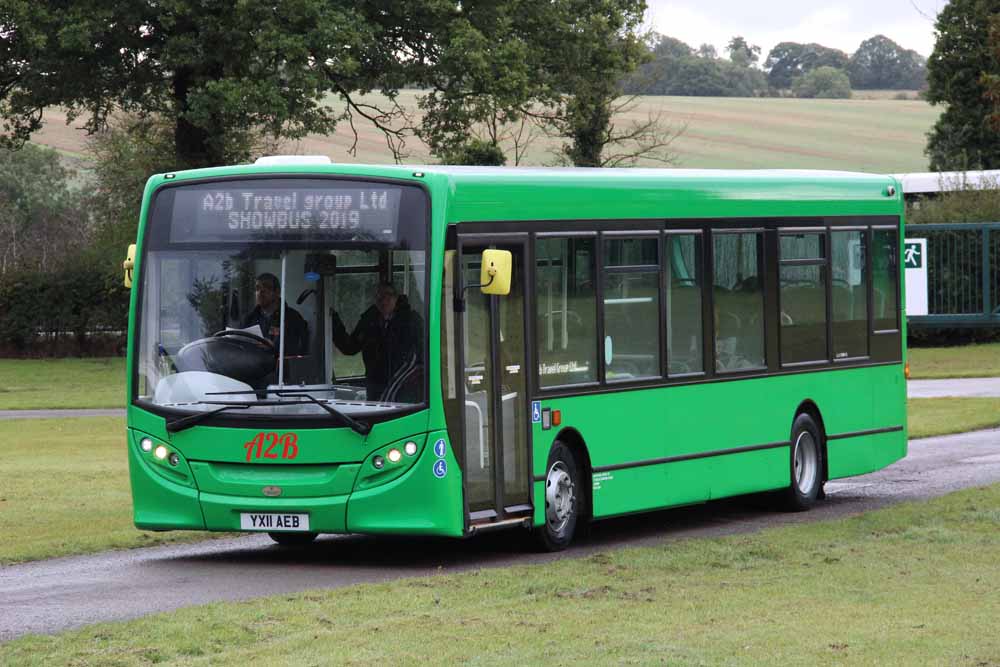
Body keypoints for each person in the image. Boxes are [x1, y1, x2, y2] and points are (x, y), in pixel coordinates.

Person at [332, 282, 423, 401]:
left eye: (388, 295)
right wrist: (333, 321)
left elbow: (423, 354)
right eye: (379, 296)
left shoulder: (411, 321)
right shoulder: (369, 320)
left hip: (403, 387)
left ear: (396, 298)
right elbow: (350, 347)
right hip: (374, 385)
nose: (383, 300)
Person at [241, 273, 309, 356]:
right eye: (257, 288)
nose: (260, 291)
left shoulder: (292, 318)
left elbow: (301, 350)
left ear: (277, 292)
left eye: (266, 287)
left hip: (281, 367)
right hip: (253, 366)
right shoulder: (249, 318)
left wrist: (274, 347)